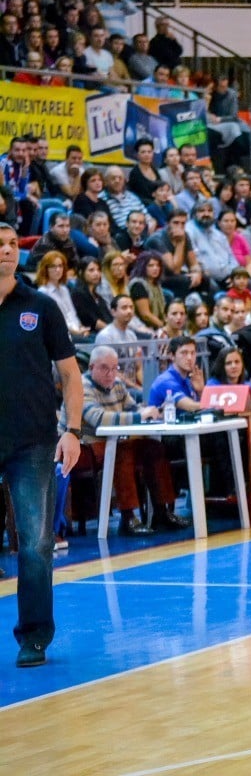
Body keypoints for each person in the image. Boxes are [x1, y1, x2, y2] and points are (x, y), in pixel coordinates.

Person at [0, 221, 83, 667]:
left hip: (32, 441)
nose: (8, 251)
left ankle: (34, 636)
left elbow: (70, 373)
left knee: (34, 544)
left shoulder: (41, 306)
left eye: (13, 245)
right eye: (0, 245)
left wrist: (73, 430)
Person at [64, 345, 187, 535]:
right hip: (84, 446)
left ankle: (162, 512)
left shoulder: (118, 385)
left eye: (115, 368)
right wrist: (140, 417)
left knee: (153, 447)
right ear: (91, 368)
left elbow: (133, 408)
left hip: (113, 442)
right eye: (105, 368)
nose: (111, 373)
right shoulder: (81, 388)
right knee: (122, 451)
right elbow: (98, 418)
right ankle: (128, 517)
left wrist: (147, 412)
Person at [35, 250, 90, 338]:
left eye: (60, 266)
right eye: (53, 266)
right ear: (45, 269)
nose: (58, 270)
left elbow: (72, 314)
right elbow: (53, 322)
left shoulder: (64, 289)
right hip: (61, 336)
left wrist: (81, 328)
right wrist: (76, 332)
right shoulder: (43, 292)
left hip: (77, 332)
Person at [148, 335, 204, 415]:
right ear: (172, 356)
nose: (189, 358)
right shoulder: (165, 381)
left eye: (193, 353)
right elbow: (190, 407)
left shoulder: (189, 380)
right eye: (184, 353)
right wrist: (216, 404)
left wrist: (200, 391)